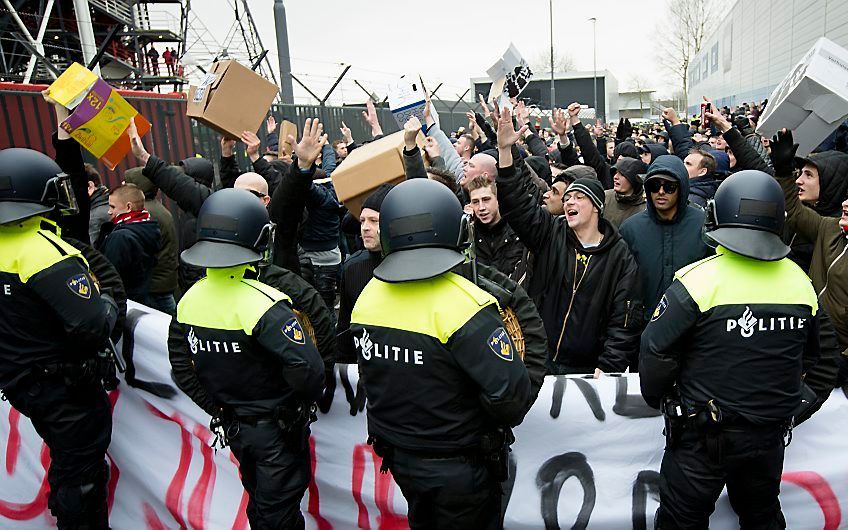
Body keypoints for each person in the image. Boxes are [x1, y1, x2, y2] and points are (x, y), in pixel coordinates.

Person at [640, 170, 820, 528]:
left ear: (717, 215)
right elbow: (814, 358)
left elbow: (654, 352)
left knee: (680, 522)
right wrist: (790, 403)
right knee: (762, 516)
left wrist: (666, 399)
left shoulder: (698, 281)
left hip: (701, 440)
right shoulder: (800, 283)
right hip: (768, 439)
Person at [350, 178, 531, 529]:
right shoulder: (467, 305)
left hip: (402, 458)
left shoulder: (368, 297)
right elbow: (510, 398)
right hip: (461, 469)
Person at [169, 188, 325, 529]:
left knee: (260, 507)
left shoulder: (190, 299)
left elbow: (181, 366)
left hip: (234, 426)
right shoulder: (266, 304)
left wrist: (220, 406)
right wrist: (290, 405)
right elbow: (309, 370)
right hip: (275, 431)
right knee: (278, 514)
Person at [0, 148, 119, 529]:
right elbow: (92, 323)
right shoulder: (45, 252)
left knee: (67, 462)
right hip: (65, 388)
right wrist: (109, 303)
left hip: (21, 379)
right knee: (81, 475)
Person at [495, 107, 641, 375]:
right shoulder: (550, 233)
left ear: (597, 206)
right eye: (567, 197)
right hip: (537, 358)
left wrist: (609, 366)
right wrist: (505, 151)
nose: (569, 202)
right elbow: (515, 203)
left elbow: (624, 320)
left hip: (585, 370)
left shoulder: (619, 256)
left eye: (578, 197)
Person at [769, 128, 848, 365]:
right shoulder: (829, 227)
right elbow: (793, 211)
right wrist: (783, 172)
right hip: (814, 343)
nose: (845, 204)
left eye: (809, 175)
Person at [620, 155, 711, 327]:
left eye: (669, 187)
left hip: (693, 327)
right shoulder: (630, 229)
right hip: (643, 326)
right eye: (655, 186)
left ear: (682, 188)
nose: (661, 192)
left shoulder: (703, 225)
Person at [124, 168, 179, 315]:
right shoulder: (156, 208)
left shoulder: (144, 214)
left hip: (153, 285)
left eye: (127, 184)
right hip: (162, 281)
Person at [97, 183, 160, 303]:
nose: (109, 212)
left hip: (123, 301)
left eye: (112, 207)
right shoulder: (147, 227)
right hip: (140, 298)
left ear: (128, 207)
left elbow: (109, 275)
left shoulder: (121, 237)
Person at [466, 175, 526, 279]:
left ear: (498, 200)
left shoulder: (517, 230)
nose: (481, 208)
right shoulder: (469, 234)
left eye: (486, 200)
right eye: (475, 202)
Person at [604, 157, 647, 228]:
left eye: (622, 174)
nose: (615, 177)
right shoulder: (606, 197)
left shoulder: (645, 207)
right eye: (615, 173)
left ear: (634, 180)